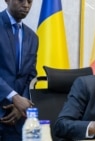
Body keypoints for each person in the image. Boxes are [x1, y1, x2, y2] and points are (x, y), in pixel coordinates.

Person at [0, 0, 38, 140]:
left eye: (29, 1)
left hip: (17, 119)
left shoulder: (32, 37)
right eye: (21, 0)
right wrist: (14, 97)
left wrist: (21, 104)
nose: (26, 5)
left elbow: (30, 75)